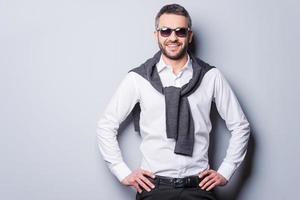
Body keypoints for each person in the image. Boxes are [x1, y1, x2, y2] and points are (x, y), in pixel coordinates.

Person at [96, 3, 250, 200]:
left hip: (198, 186)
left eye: (180, 31)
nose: (173, 38)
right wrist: (122, 171)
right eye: (165, 31)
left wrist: (226, 170)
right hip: (154, 187)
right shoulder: (139, 78)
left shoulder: (210, 76)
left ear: (190, 35)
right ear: (156, 35)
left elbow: (241, 126)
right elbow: (106, 126)